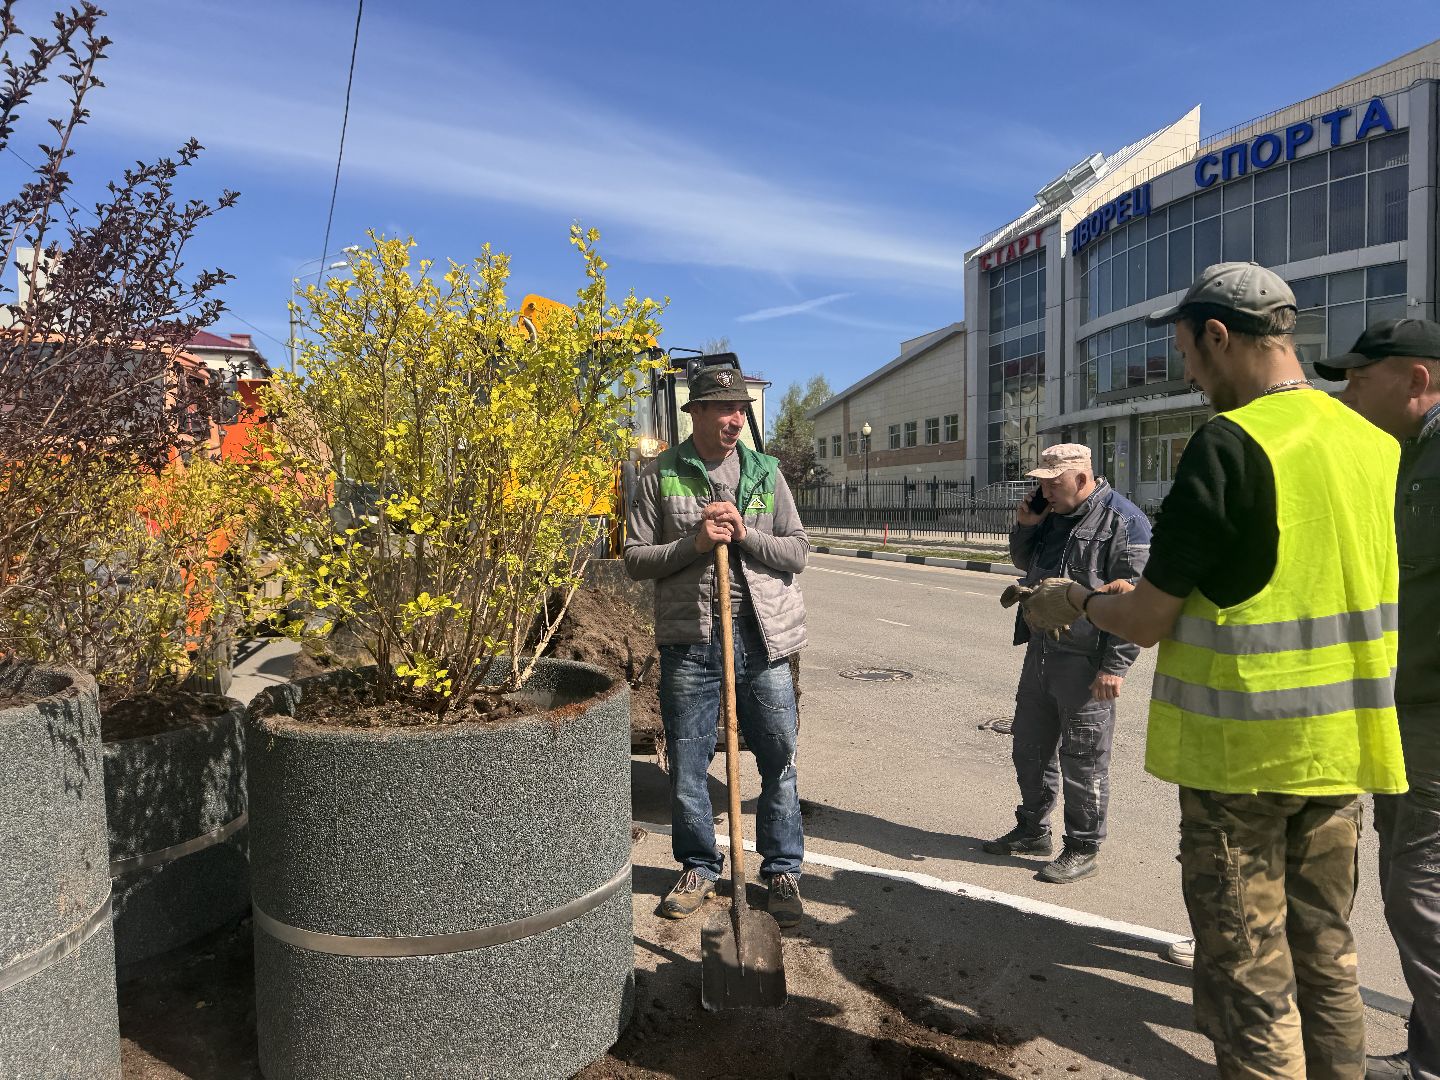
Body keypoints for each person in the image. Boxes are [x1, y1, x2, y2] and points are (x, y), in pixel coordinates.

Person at [1017, 262, 1407, 1079]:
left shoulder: (1227, 445)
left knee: (1249, 974)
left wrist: (1078, 603)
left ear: (1219, 336)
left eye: (1187, 354)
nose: (1187, 374)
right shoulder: (1373, 444)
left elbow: (1149, 619)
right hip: (1341, 751)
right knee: (1329, 956)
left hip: (1243, 764)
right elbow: (1291, 573)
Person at [623, 365, 809, 928]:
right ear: (696, 413)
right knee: (688, 761)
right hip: (692, 642)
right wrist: (695, 542)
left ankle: (781, 869)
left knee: (778, 756)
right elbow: (634, 559)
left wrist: (746, 536)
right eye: (723, 409)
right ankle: (700, 866)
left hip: (763, 639)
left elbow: (798, 551)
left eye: (740, 409)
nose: (735, 419)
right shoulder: (659, 476)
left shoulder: (765, 473)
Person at [1317, 318, 1440, 1080]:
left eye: (1364, 376)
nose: (1348, 389)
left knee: (1416, 892)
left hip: (1433, 713)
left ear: (1419, 379)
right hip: (1407, 708)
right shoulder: (1405, 459)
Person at [983, 443, 1151, 883]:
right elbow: (1023, 561)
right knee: (1030, 749)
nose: (1045, 491)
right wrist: (1026, 525)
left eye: (1052, 484)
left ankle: (1082, 847)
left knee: (1084, 759)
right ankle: (1031, 830)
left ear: (1081, 477)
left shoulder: (1124, 521)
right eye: (1039, 483)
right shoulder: (1052, 516)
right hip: (1041, 651)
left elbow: (1132, 601)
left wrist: (1115, 666)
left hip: (1086, 661)